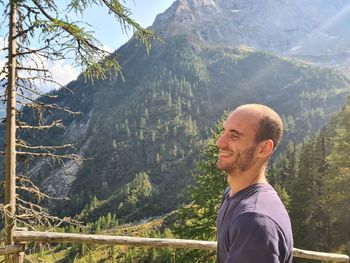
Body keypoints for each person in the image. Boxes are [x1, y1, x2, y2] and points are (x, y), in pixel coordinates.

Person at [216, 104, 293, 263]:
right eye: (224, 132)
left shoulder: (254, 222)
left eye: (234, 136)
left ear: (264, 148)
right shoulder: (232, 194)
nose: (220, 142)